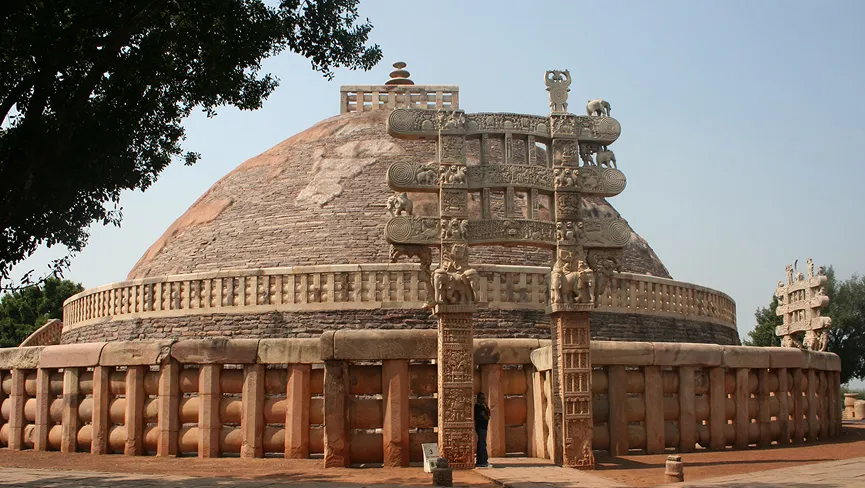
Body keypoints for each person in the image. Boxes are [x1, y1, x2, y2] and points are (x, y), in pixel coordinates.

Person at [474, 392, 491, 468]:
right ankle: (483, 461)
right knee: (482, 444)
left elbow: (489, 413)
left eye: (484, 399)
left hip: (484, 427)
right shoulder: (478, 406)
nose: (483, 400)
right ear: (478, 399)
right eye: (482, 398)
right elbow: (485, 416)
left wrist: (486, 406)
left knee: (481, 443)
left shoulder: (483, 406)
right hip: (480, 427)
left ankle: (480, 460)